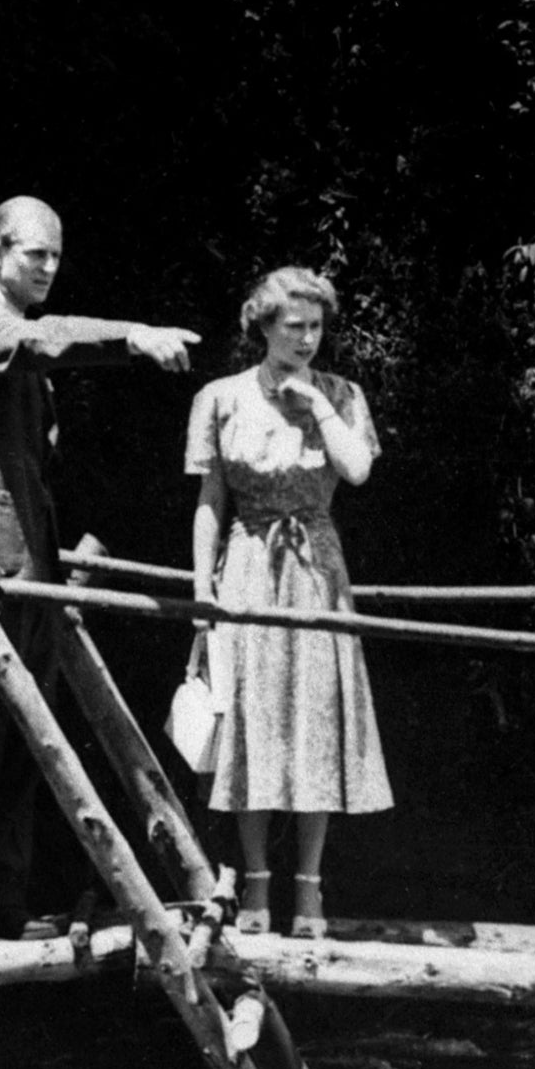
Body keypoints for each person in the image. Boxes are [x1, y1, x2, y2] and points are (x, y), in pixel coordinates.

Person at [0, 196, 198, 955]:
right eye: (35, 254)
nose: (47, 269)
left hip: (28, 560)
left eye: (56, 258)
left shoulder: (9, 330)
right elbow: (45, 345)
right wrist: (133, 338)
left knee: (25, 736)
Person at [185, 266, 392, 937]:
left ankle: (310, 891)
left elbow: (358, 471)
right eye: (293, 326)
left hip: (318, 572)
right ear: (263, 328)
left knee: (315, 722)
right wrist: (201, 589)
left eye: (316, 327)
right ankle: (254, 885)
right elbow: (211, 503)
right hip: (247, 565)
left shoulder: (340, 393)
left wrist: (319, 408)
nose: (307, 339)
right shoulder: (220, 397)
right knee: (253, 722)